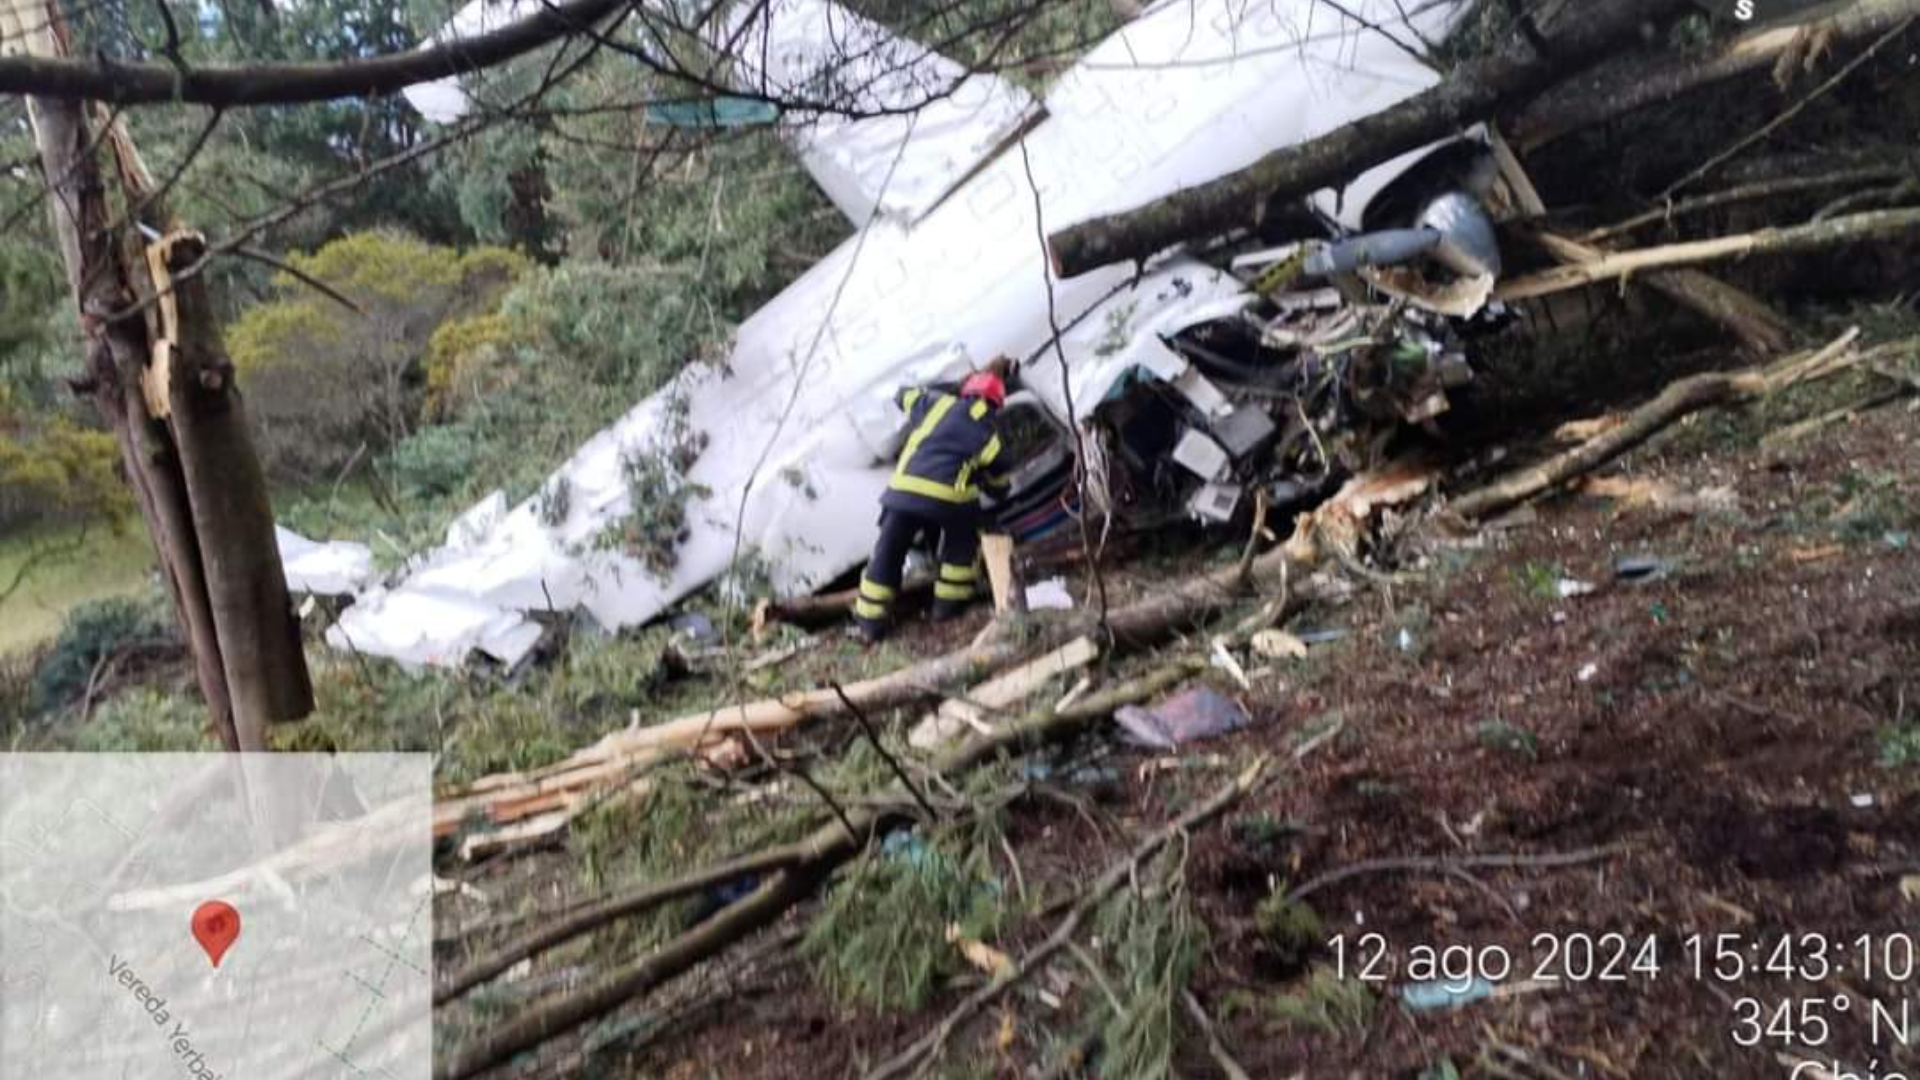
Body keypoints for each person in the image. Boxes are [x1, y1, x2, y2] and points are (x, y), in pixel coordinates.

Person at [853, 361, 1016, 643]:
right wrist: (990, 484)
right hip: (948, 499)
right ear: (997, 404)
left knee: (888, 552)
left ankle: (869, 623)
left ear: (964, 391)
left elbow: (903, 393)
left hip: (902, 493)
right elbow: (1000, 482)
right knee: (962, 542)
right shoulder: (989, 433)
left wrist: (952, 387)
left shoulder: (934, 405)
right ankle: (947, 609)